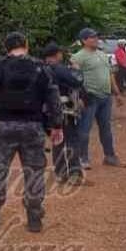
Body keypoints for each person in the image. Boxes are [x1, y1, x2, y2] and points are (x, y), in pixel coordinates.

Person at [0, 32, 63, 233]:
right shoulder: (42, 68)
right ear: (26, 45)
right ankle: (34, 218)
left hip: (3, 126)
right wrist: (56, 125)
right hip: (32, 127)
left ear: (5, 47)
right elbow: (53, 98)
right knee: (34, 171)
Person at [71, 28, 125, 169]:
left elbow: (110, 74)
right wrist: (80, 98)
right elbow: (75, 79)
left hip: (106, 97)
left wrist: (117, 93)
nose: (96, 39)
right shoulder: (78, 57)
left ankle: (110, 156)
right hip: (90, 97)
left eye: (96, 36)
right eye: (92, 37)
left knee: (106, 128)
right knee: (84, 129)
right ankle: (82, 158)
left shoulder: (102, 54)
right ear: (84, 40)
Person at [42, 43, 85, 185]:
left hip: (48, 112)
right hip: (64, 111)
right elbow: (77, 81)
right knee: (72, 141)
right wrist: (77, 71)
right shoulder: (60, 69)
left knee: (57, 142)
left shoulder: (41, 69)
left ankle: (60, 174)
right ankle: (74, 174)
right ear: (57, 54)